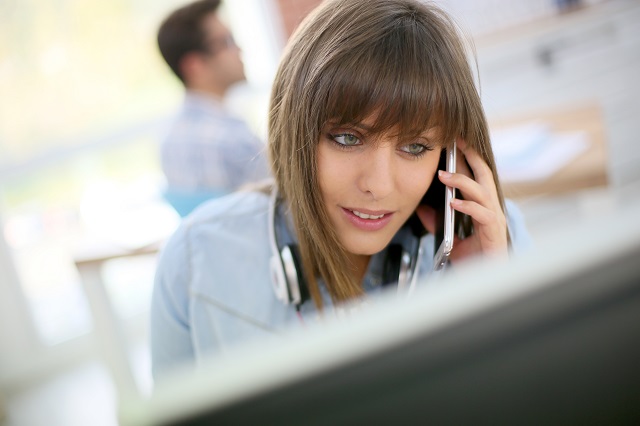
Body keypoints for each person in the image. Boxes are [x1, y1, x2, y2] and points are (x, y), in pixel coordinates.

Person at [151, 0, 532, 379]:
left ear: (449, 153)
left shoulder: (493, 237)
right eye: (347, 138)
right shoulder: (196, 257)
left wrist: (493, 298)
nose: (379, 186)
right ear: (294, 129)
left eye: (415, 147)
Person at [156, 0, 270, 216]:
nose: (239, 49)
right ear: (194, 65)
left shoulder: (167, 141)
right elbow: (290, 209)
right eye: (226, 42)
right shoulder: (233, 138)